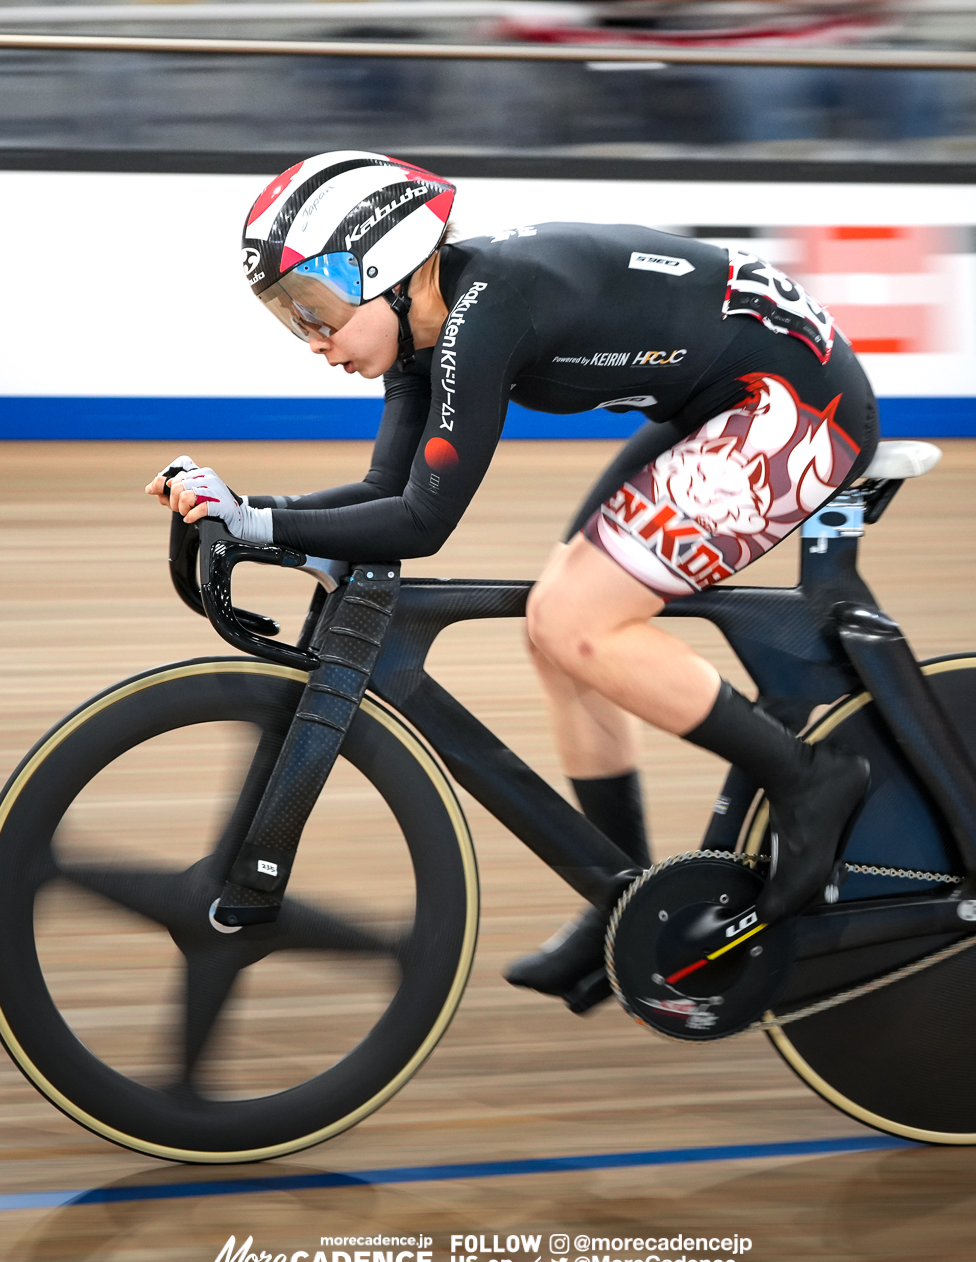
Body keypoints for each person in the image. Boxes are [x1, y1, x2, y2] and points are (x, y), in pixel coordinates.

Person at [150, 151, 876, 1009]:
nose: (313, 340)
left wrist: (255, 522)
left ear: (384, 270)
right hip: (721, 398)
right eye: (289, 317)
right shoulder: (425, 325)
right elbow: (388, 495)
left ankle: (810, 780)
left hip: (791, 400)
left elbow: (423, 521)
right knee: (556, 633)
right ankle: (622, 896)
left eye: (316, 309)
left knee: (578, 620)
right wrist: (246, 512)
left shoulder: (485, 313)